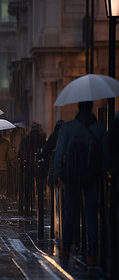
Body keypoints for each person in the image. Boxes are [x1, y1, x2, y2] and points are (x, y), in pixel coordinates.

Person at [53, 101, 108, 266]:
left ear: (78, 107)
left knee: (71, 213)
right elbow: (105, 155)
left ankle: (65, 250)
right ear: (91, 108)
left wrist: (56, 176)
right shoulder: (99, 129)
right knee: (92, 215)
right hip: (92, 177)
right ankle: (91, 254)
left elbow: (59, 152)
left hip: (72, 176)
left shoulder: (68, 127)